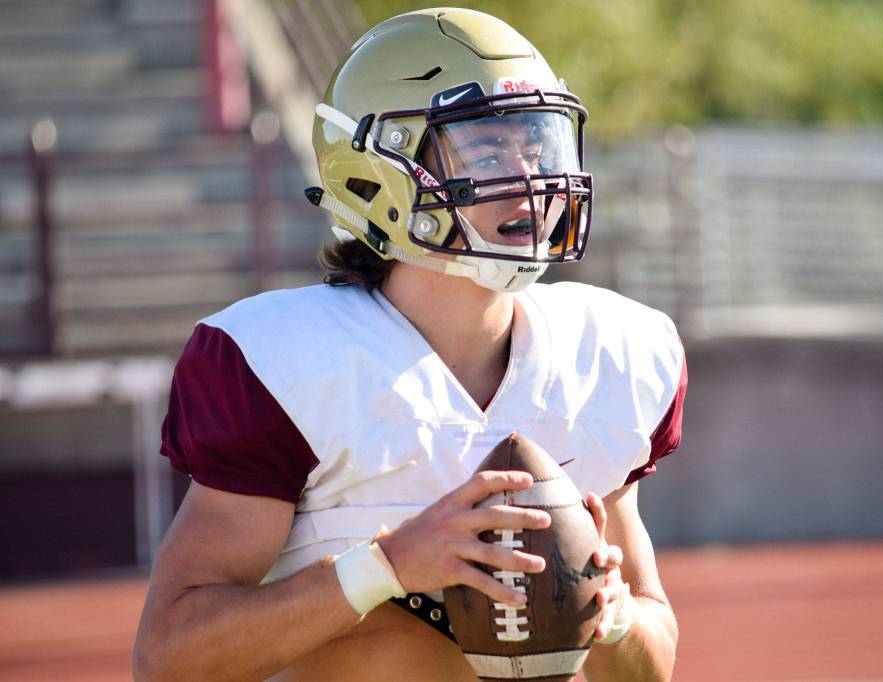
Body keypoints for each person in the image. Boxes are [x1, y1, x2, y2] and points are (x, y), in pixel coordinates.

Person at [134, 8, 686, 681]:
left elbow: (652, 666)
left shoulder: (606, 356)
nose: (531, 177)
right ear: (379, 172)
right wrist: (386, 568)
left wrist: (613, 614)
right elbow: (170, 658)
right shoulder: (291, 366)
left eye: (537, 143)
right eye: (487, 148)